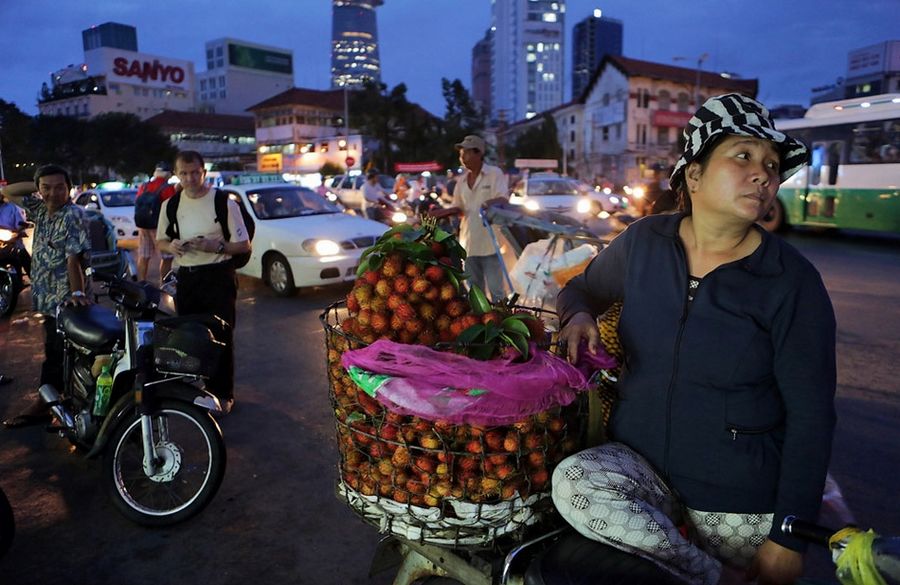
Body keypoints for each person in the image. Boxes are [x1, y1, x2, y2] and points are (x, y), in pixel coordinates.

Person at [553, 94, 835, 585]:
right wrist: (576, 315)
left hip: (740, 503)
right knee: (573, 482)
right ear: (695, 174)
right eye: (743, 155)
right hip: (642, 468)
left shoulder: (791, 281)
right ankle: (710, 578)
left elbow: (812, 415)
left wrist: (788, 536)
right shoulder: (643, 243)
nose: (763, 174)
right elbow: (582, 287)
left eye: (771, 165)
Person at [157, 151, 250, 416]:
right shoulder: (171, 205)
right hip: (187, 277)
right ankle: (199, 390)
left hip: (218, 275)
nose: (190, 178)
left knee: (221, 335)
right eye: (184, 173)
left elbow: (243, 244)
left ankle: (223, 394)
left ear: (204, 172)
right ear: (176, 174)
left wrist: (216, 245)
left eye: (195, 173)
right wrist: (172, 245)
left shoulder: (224, 202)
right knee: (189, 335)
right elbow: (160, 241)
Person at [2, 167, 92, 428]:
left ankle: (47, 403)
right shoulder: (40, 209)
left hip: (66, 300)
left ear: (70, 188)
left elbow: (73, 259)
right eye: (46, 187)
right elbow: (7, 191)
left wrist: (77, 293)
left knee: (58, 352)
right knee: (56, 350)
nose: (54, 193)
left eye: (60, 187)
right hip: (46, 296)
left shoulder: (73, 216)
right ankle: (59, 401)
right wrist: (38, 187)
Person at [429, 135, 509, 301]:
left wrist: (488, 203)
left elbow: (503, 199)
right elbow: (458, 208)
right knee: (474, 291)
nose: (462, 158)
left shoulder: (494, 174)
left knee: (497, 292)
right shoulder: (461, 181)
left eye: (466, 153)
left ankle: (502, 324)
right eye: (460, 154)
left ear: (478, 153)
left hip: (491, 243)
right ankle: (481, 323)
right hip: (468, 244)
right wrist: (440, 213)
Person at [134, 161, 176, 283]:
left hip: (143, 225)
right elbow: (171, 208)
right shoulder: (167, 188)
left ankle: (142, 282)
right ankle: (164, 282)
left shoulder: (144, 186)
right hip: (159, 226)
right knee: (166, 257)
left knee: (144, 255)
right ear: (168, 174)